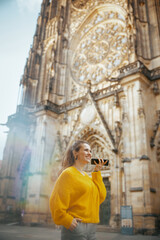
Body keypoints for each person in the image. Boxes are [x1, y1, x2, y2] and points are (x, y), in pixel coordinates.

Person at [49, 140, 107, 240]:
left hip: (92, 228)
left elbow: (100, 197)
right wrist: (66, 220)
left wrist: (97, 172)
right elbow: (55, 200)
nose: (90, 153)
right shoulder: (68, 173)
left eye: (90, 151)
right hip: (76, 227)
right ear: (75, 153)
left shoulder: (87, 177)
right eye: (86, 150)